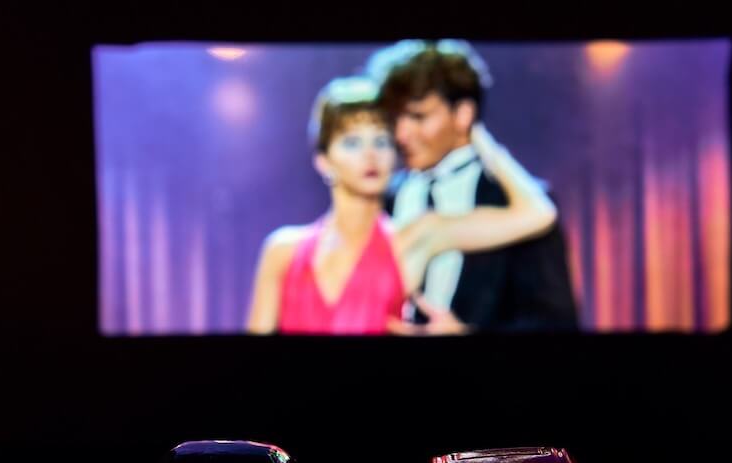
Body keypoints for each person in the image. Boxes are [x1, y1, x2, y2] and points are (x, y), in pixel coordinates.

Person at [246, 75, 557, 335]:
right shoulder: (283, 250)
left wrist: (472, 131)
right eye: (353, 142)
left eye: (381, 141)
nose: (371, 154)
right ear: (324, 161)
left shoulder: (415, 238)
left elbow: (539, 213)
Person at [367, 40, 578, 334]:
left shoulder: (516, 201)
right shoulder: (381, 196)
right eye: (396, 117)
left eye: (418, 116)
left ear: (463, 114)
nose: (401, 133)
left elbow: (558, 324)